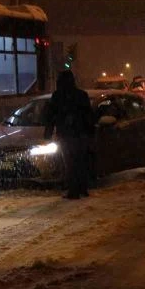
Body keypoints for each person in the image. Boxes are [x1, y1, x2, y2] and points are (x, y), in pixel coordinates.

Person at [44, 70, 94, 199]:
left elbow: (51, 116)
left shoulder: (58, 96)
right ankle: (82, 188)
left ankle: (73, 190)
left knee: (70, 162)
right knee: (80, 161)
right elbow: (88, 116)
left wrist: (48, 133)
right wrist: (90, 132)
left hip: (66, 134)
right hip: (80, 134)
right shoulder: (81, 95)